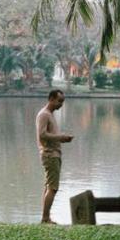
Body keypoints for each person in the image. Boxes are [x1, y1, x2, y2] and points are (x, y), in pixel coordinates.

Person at [36, 88, 73, 223]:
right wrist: (61, 137)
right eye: (59, 101)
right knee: (53, 188)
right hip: (50, 154)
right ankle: (45, 218)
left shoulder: (49, 114)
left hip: (53, 154)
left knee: (49, 187)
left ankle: (46, 217)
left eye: (62, 102)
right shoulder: (44, 114)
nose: (61, 104)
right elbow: (42, 134)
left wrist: (61, 138)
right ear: (51, 99)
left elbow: (47, 134)